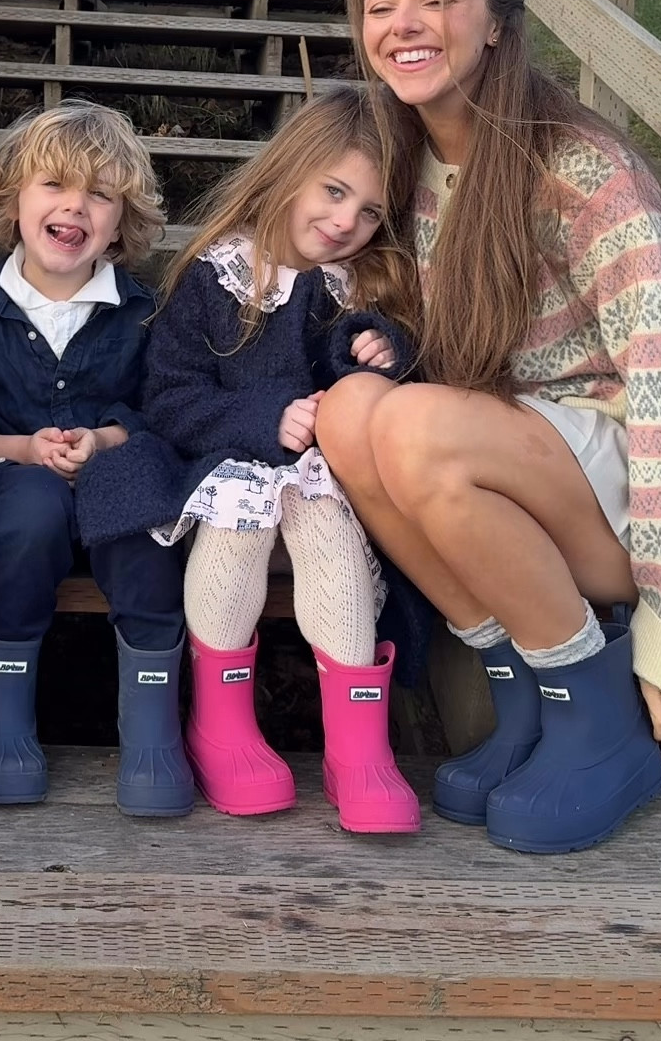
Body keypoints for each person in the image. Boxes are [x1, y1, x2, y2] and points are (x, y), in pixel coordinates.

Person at [317, 0, 661, 855]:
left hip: (626, 501)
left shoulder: (580, 168)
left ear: (497, 18)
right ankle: (525, 696)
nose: (402, 24)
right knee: (351, 413)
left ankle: (599, 718)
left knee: (418, 426)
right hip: (531, 469)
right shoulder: (407, 162)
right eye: (379, 5)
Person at [79, 85, 422, 834]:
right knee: (243, 518)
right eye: (334, 193)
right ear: (289, 171)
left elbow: (391, 387)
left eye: (368, 212)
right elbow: (169, 398)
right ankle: (221, 727)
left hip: (322, 478)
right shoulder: (215, 275)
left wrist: (382, 353)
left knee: (324, 520)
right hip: (225, 464)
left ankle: (358, 748)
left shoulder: (358, 289)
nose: (345, 222)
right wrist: (265, 418)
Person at [0, 100, 192, 817]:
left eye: (100, 194)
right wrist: (19, 448)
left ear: (121, 220)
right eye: (54, 185)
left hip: (112, 478)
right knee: (30, 510)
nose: (75, 206)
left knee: (139, 515)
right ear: (14, 199)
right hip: (9, 485)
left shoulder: (142, 313)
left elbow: (163, 407)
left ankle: (152, 728)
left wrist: (107, 438)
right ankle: (3, 715)